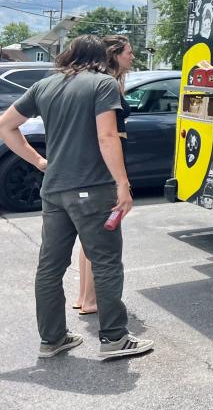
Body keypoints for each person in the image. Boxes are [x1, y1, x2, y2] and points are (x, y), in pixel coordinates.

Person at [0, 35, 153, 359]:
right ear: (100, 57)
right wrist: (122, 185)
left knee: (50, 267)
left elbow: (6, 126)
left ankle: (52, 339)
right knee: (107, 262)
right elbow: (107, 135)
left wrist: (40, 162)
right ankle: (113, 338)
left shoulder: (46, 86)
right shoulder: (102, 84)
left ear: (69, 54)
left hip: (54, 190)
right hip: (93, 189)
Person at [74, 35, 135, 317]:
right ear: (114, 54)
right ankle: (89, 299)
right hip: (104, 167)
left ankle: (83, 296)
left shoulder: (103, 81)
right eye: (129, 52)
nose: (132, 57)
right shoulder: (106, 84)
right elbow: (109, 135)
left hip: (93, 165)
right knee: (100, 234)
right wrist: (121, 178)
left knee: (90, 234)